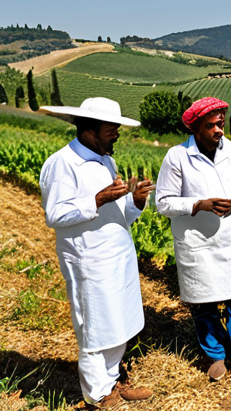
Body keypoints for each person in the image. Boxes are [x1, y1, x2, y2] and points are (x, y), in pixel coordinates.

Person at [39, 97, 154, 408]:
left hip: (117, 256)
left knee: (119, 319)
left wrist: (136, 202)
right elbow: (55, 215)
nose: (116, 133)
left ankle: (113, 378)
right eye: (111, 129)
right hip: (88, 259)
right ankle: (98, 394)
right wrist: (99, 198)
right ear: (90, 130)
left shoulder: (106, 160)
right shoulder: (61, 163)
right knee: (95, 325)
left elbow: (118, 216)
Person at [155, 97, 231, 381]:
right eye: (212, 125)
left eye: (221, 123)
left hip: (230, 237)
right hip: (196, 241)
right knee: (204, 303)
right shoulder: (177, 156)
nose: (220, 130)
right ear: (196, 129)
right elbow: (164, 202)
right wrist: (199, 204)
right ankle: (214, 355)